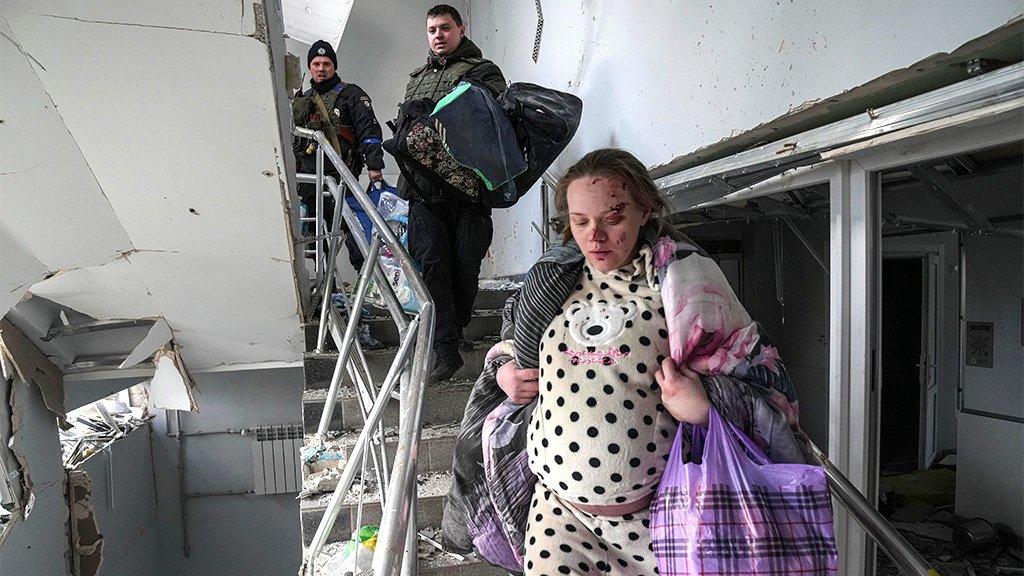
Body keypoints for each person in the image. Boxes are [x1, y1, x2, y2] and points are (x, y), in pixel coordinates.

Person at [400, 4, 507, 382]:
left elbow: (494, 120)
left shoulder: (483, 71)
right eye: (432, 30)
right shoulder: (415, 78)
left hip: (468, 189)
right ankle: (444, 350)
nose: (438, 35)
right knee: (432, 268)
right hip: (423, 191)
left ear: (461, 29)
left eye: (445, 28)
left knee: (464, 270)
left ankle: (455, 328)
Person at [293, 39, 385, 272]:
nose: (321, 68)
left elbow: (369, 132)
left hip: (340, 179)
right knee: (315, 242)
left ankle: (369, 286)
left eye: (326, 63)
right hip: (309, 179)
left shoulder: (352, 95)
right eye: (316, 63)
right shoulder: (302, 99)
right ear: (310, 67)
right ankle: (325, 289)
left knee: (355, 236)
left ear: (334, 66)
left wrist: (374, 167)